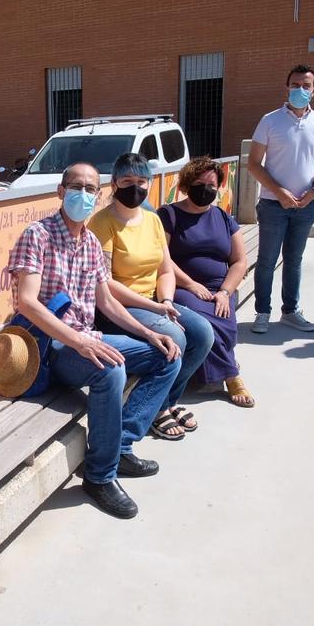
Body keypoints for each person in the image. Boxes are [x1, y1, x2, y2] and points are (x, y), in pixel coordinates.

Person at [8, 161, 181, 519]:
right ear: (60, 192)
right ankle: (100, 477)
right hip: (51, 345)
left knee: (167, 356)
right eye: (76, 187)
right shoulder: (37, 235)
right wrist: (77, 342)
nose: (84, 195)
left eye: (91, 189)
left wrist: (150, 333)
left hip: (87, 338)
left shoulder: (89, 242)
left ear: (99, 195)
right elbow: (26, 301)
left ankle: (120, 447)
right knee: (110, 372)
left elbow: (107, 301)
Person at [88, 153, 214, 440]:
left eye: (141, 181)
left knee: (203, 334)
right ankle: (152, 410)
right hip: (118, 307)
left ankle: (166, 402)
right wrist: (155, 308)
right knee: (177, 338)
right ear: (114, 184)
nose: (135, 187)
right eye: (127, 181)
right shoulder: (102, 223)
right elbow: (105, 282)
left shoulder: (152, 220)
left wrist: (166, 301)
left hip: (156, 302)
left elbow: (165, 268)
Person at [158, 157, 256, 408]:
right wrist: (190, 284)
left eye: (211, 184)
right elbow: (162, 257)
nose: (205, 188)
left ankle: (220, 367)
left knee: (221, 312)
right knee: (207, 322)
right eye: (199, 183)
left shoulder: (223, 218)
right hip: (181, 287)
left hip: (219, 287)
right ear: (186, 185)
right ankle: (232, 374)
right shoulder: (169, 215)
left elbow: (239, 261)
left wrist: (225, 291)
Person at [247, 63, 314, 334]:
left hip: (305, 206)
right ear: (287, 87)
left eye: (306, 85)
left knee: (294, 260)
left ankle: (290, 311)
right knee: (267, 260)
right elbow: (253, 163)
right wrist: (279, 191)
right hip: (274, 205)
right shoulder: (269, 120)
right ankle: (262, 312)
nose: (300, 90)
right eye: (295, 85)